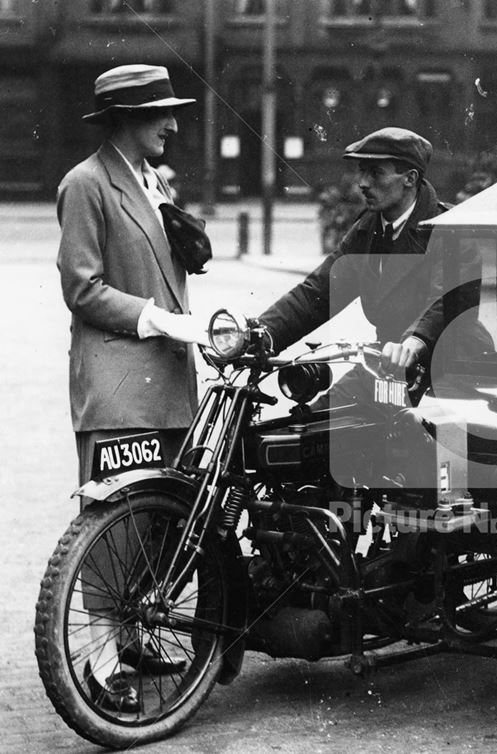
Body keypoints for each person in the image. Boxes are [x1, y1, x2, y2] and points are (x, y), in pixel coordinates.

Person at [57, 63, 206, 711]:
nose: (172, 124)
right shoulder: (85, 185)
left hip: (167, 383)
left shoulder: (149, 183)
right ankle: (99, 667)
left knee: (154, 529)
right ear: (124, 120)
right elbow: (82, 287)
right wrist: (158, 320)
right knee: (113, 531)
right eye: (159, 114)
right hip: (120, 383)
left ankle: (129, 639)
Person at [259, 127, 451, 408]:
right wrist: (258, 335)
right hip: (388, 372)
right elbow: (317, 293)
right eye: (361, 171)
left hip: (448, 378)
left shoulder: (447, 228)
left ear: (410, 179)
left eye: (375, 173)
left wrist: (414, 342)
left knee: (403, 444)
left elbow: (446, 299)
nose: (362, 182)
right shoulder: (368, 229)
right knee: (308, 430)